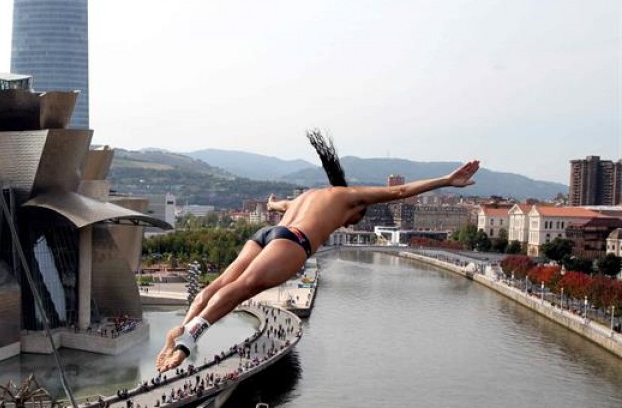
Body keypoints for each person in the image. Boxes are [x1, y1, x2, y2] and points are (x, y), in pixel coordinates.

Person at [155, 131, 481, 371]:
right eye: (354, 221)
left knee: (218, 285)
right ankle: (187, 342)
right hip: (293, 241)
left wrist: (269, 203)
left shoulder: (307, 195)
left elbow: (277, 204)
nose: (350, 225)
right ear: (356, 208)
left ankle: (183, 327)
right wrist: (446, 180)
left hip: (267, 232)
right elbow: (400, 190)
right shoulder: (351, 198)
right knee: (240, 291)